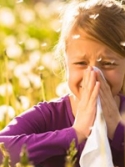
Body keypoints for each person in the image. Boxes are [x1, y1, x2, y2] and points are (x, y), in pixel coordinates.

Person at [0, 0, 125, 166]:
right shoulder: (48, 116)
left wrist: (118, 132)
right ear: (66, 64)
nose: (94, 75)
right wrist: (75, 134)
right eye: (81, 63)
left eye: (108, 63)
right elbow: (2, 150)